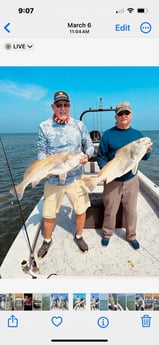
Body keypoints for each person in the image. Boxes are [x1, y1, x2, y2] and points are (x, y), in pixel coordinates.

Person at [37, 90, 94, 258]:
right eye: (59, 105)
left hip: (75, 177)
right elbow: (41, 150)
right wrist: (43, 166)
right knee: (48, 214)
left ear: (69, 106)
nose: (63, 108)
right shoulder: (44, 126)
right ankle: (47, 240)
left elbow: (88, 145)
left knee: (81, 209)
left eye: (66, 104)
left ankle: (79, 236)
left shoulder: (79, 125)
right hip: (53, 180)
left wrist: (87, 156)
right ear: (53, 106)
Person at [97, 101, 151, 250]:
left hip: (131, 180)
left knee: (130, 210)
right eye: (120, 113)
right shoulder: (108, 134)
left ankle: (131, 236)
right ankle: (107, 234)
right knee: (110, 208)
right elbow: (101, 156)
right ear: (116, 117)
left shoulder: (137, 135)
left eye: (126, 113)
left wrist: (147, 151)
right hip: (113, 179)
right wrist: (106, 171)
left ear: (131, 115)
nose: (124, 116)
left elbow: (144, 158)